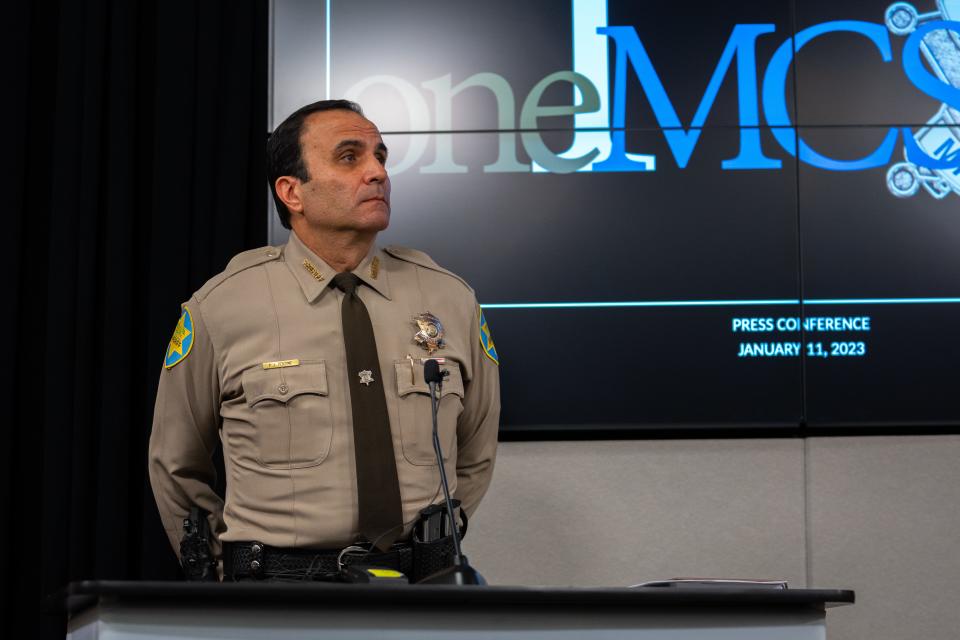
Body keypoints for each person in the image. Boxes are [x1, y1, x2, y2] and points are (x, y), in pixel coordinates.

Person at [148, 99, 500, 581]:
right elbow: (177, 463)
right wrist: (217, 579)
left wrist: (436, 544)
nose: (377, 172)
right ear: (292, 192)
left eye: (381, 156)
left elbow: (476, 450)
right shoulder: (220, 307)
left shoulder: (450, 299)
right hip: (279, 590)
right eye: (350, 157)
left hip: (423, 585)